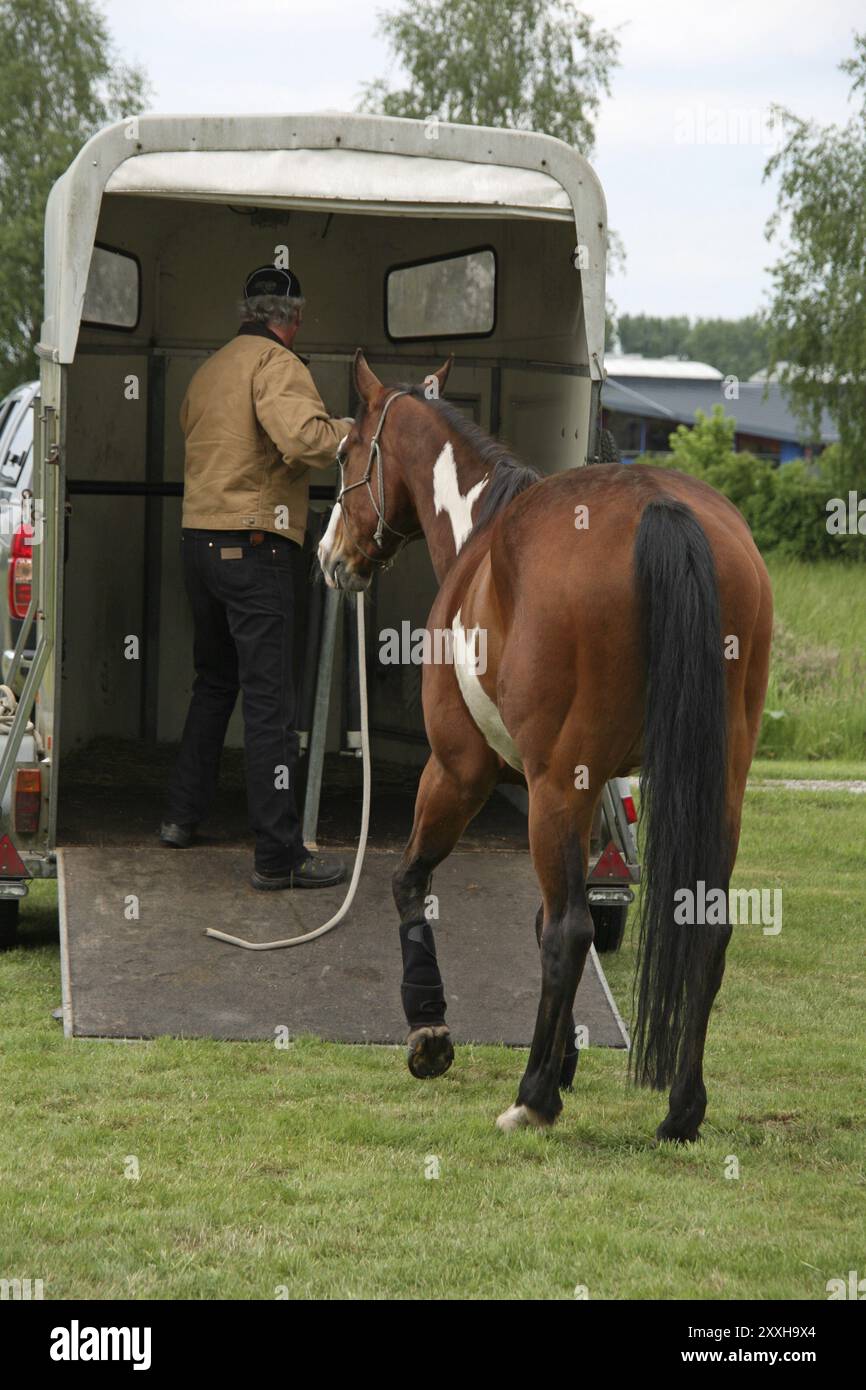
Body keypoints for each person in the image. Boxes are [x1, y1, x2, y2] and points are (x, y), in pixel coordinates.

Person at [160, 264, 352, 890]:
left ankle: (181, 818)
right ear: (290, 320)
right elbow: (305, 443)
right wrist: (350, 432)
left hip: (198, 544)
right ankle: (277, 855)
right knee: (270, 706)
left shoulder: (211, 368)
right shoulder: (279, 365)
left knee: (214, 683)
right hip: (255, 549)